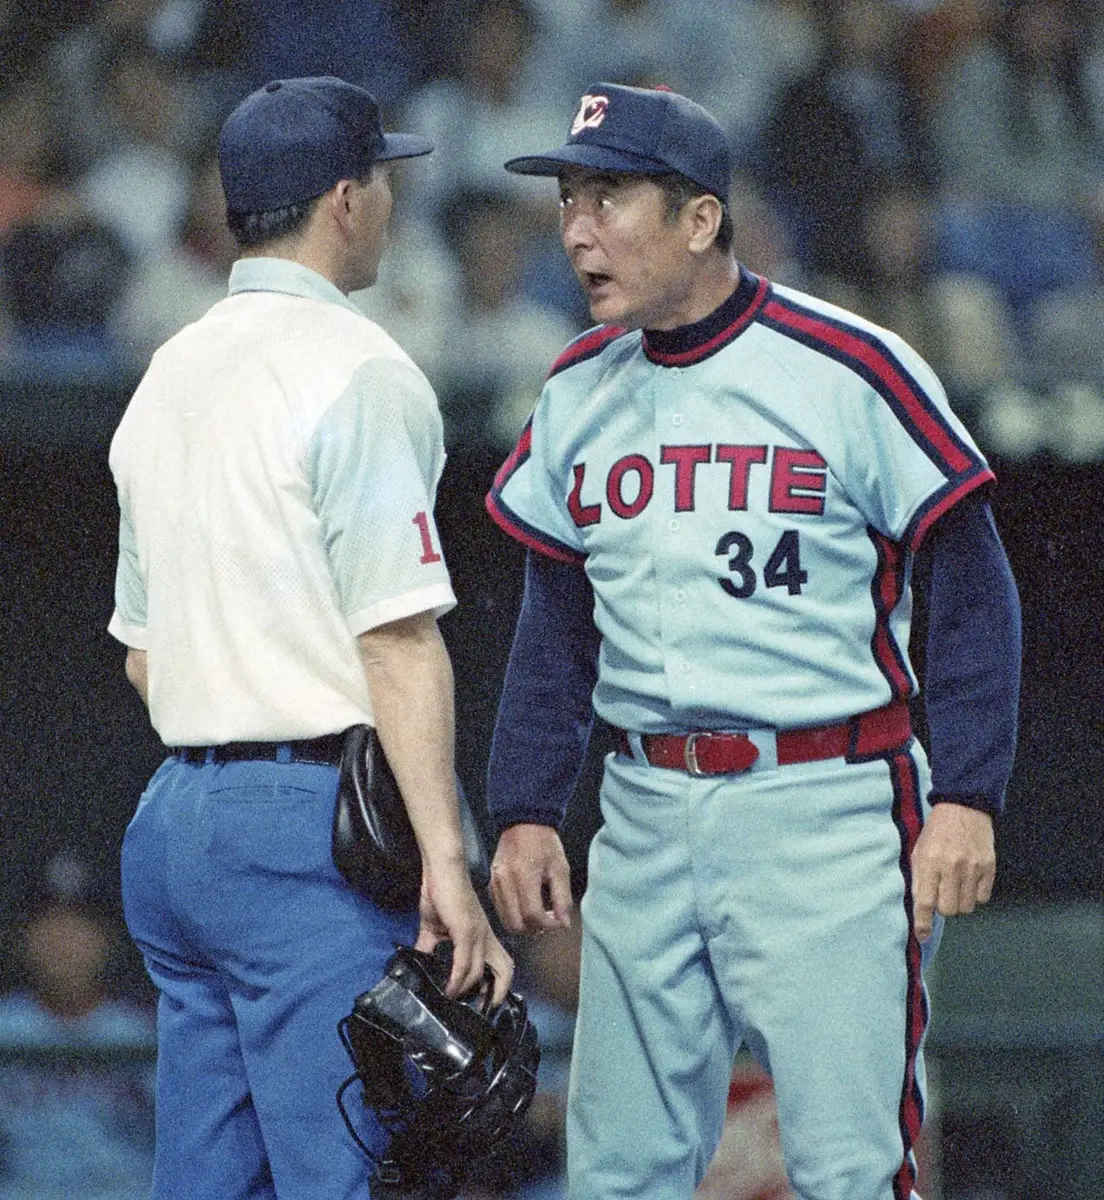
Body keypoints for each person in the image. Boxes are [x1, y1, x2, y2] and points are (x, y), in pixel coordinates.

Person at [483, 82, 1021, 1199]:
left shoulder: (848, 365)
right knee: (618, 1173)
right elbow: (554, 625)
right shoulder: (578, 387)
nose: (578, 230)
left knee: (847, 1168)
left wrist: (968, 790)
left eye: (610, 197)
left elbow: (973, 588)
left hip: (828, 806)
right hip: (643, 806)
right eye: (570, 199)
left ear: (699, 219)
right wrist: (528, 805)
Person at [106, 74, 513, 1200]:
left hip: (177, 827)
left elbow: (143, 652)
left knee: (209, 1183)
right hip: (307, 837)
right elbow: (396, 640)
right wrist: (445, 860)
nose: (388, 201)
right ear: (345, 200)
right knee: (347, 1181)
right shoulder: (361, 371)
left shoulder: (169, 371)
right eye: (382, 179)